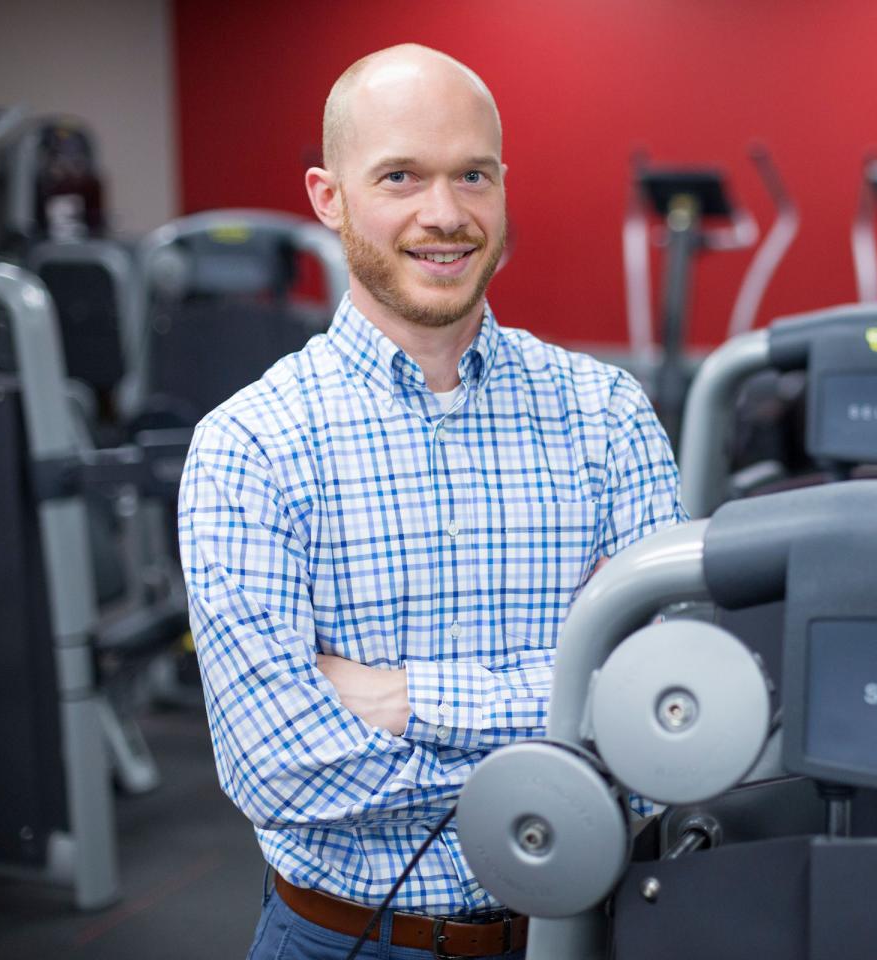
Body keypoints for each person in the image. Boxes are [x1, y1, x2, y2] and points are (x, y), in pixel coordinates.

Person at [177, 44, 685, 960]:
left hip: (586, 934)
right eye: (401, 176)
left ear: (501, 187)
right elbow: (278, 766)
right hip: (343, 940)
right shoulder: (249, 444)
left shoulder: (607, 416)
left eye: (472, 176)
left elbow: (664, 713)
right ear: (329, 198)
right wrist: (564, 728)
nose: (444, 215)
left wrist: (400, 700)